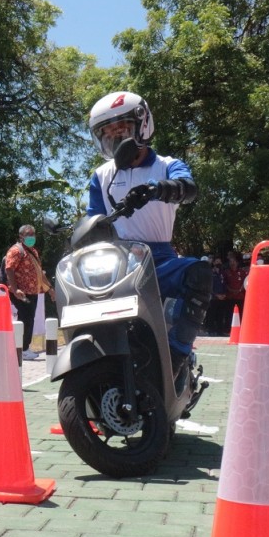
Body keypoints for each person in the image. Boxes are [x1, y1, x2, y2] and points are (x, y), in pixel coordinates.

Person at [86, 90, 211, 381]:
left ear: (142, 126)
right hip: (116, 261)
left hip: (159, 259)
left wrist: (158, 189)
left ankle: (177, 355)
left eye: (123, 129)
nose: (116, 138)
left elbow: (188, 188)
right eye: (108, 132)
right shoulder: (101, 175)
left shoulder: (167, 165)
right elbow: (93, 218)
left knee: (199, 273)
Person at [5, 224, 56, 360]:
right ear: (21, 236)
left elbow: (40, 272)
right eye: (28, 234)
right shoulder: (16, 251)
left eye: (33, 234)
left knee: (29, 319)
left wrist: (50, 289)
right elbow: (9, 269)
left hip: (32, 292)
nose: (31, 237)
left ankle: (24, 347)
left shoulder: (32, 251)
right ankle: (22, 349)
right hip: (21, 292)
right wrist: (15, 289)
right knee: (25, 319)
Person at [222, 252, 248, 329]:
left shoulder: (242, 272)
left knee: (241, 313)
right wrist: (231, 290)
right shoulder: (226, 272)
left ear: (237, 263)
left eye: (234, 262)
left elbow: (245, 282)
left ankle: (241, 329)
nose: (232, 263)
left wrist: (240, 290)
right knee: (229, 314)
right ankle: (228, 329)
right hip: (230, 297)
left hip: (240, 297)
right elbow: (224, 283)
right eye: (231, 262)